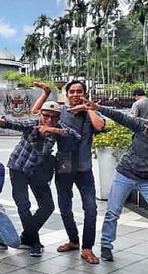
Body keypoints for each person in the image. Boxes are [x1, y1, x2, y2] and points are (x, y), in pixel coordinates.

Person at [85, 99, 148, 268]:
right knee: (113, 211)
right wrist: (98, 108)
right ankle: (106, 245)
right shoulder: (144, 126)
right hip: (125, 174)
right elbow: (121, 118)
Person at [0, 100, 80, 258]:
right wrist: (2, 122)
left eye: (53, 117)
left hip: (38, 172)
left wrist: (55, 130)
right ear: (40, 114)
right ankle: (34, 243)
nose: (49, 120)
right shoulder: (33, 123)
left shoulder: (58, 127)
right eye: (46, 116)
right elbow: (17, 124)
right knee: (23, 205)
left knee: (47, 206)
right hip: (19, 167)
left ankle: (27, 236)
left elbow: (76, 136)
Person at [32, 80, 105, 264]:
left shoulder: (91, 113)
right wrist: (46, 94)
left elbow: (100, 126)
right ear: (66, 94)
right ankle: (73, 240)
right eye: (72, 91)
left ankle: (87, 247)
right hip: (64, 165)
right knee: (64, 207)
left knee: (91, 208)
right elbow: (37, 113)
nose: (75, 94)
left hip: (84, 168)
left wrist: (88, 108)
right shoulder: (61, 112)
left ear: (84, 93)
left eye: (79, 91)